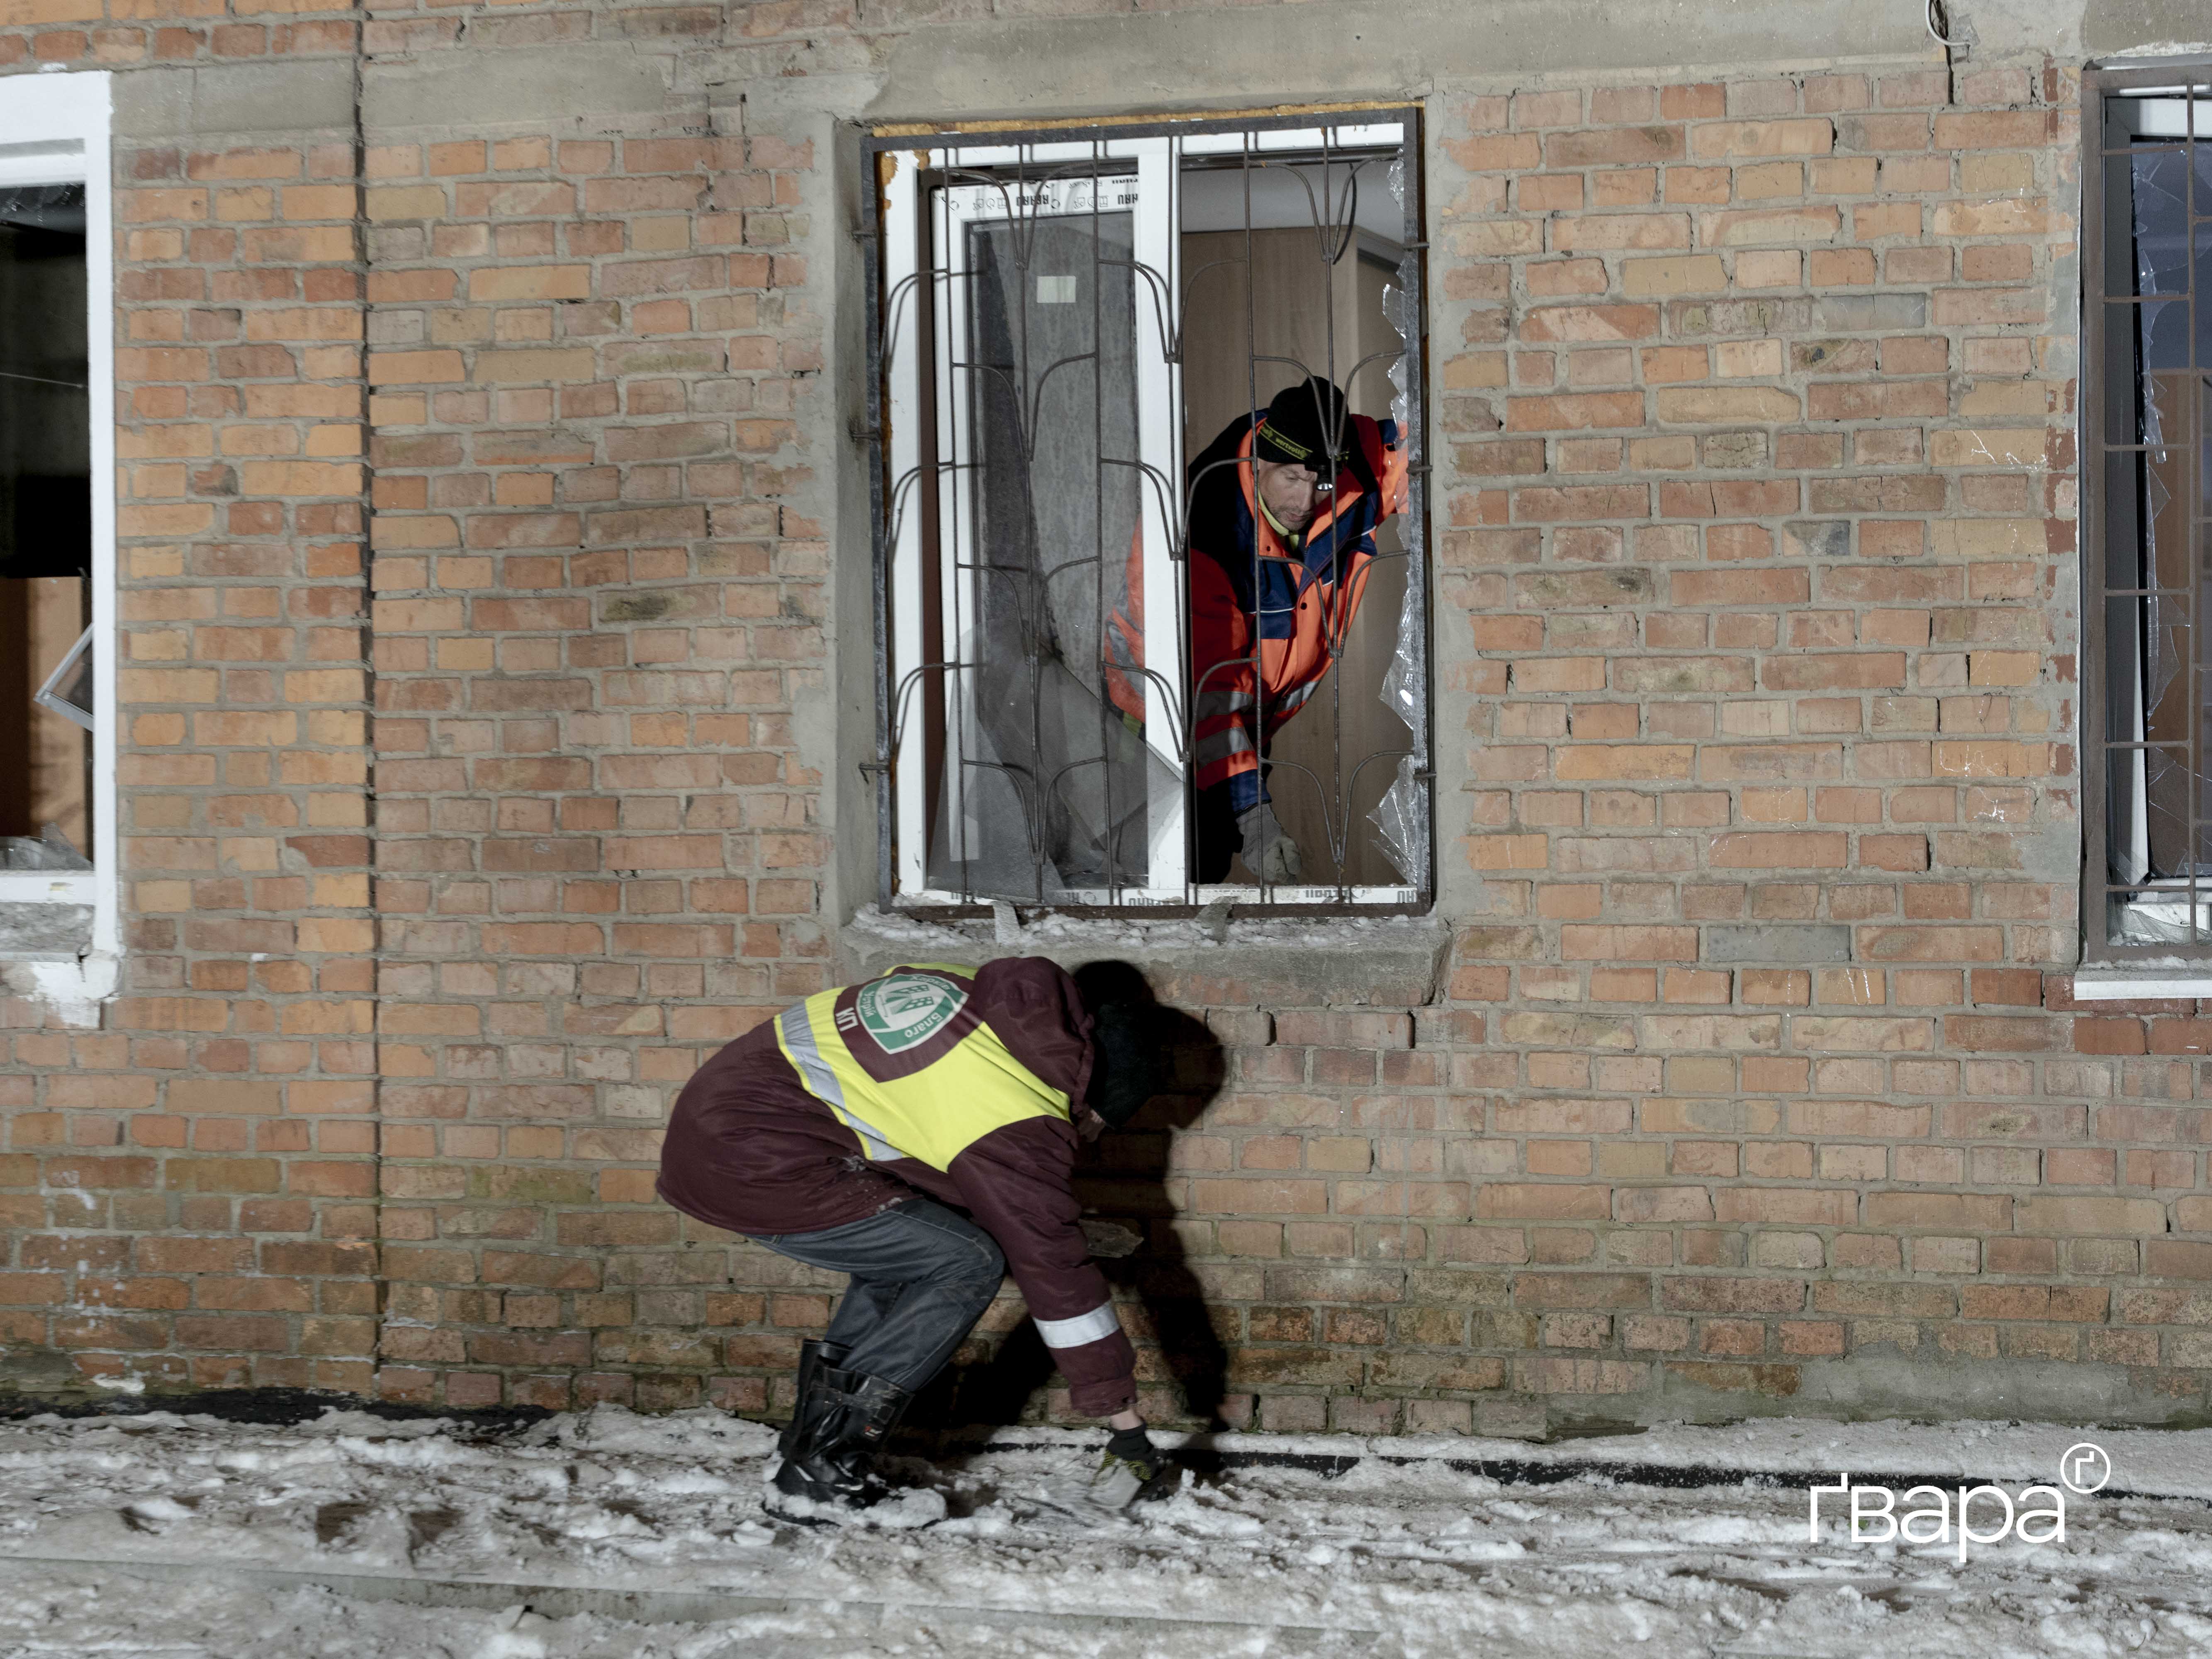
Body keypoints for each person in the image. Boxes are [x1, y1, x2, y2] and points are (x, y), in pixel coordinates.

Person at [657, 956, 1166, 1520]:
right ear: (1085, 1090)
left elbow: (919, 1126)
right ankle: (823, 1469)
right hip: (758, 1166)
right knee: (967, 1262)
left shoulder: (963, 991)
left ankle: (810, 1450)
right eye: (1092, 1125)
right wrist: (1125, 1424)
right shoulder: (1012, 1117)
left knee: (915, 1255)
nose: (1084, 1138)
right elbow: (1052, 1267)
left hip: (718, 1127)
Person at [1185, 375, 1408, 883]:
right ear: (1258, 460)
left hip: (1251, 723)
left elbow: (1431, 444)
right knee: (1182, 875)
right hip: (1159, 732)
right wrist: (1254, 816)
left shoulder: (1346, 469)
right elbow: (1211, 698)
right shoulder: (1209, 530)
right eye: (1290, 478)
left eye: (1321, 481)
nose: (1307, 501)